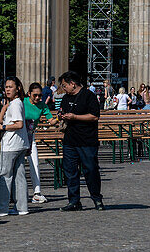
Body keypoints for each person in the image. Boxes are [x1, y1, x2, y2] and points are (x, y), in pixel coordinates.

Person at [57, 70, 104, 211]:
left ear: (73, 83)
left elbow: (94, 116)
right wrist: (61, 116)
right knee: (70, 172)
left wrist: (75, 117)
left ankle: (96, 198)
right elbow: (62, 111)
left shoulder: (89, 96)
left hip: (87, 141)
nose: (63, 88)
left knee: (91, 170)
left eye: (65, 85)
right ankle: (74, 201)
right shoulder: (66, 98)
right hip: (70, 141)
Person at [0, 76, 29, 216]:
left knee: (4, 176)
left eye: (10, 87)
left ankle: (1, 208)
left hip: (11, 145)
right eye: (6, 87)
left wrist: (3, 126)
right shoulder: (16, 103)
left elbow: (19, 124)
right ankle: (22, 207)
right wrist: (4, 109)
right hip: (20, 144)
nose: (7, 89)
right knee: (19, 176)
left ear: (18, 88)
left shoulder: (16, 104)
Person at [24, 82, 52, 205]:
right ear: (29, 94)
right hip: (17, 136)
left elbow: (51, 120)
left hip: (30, 136)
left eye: (39, 95)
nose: (37, 98)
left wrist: (59, 119)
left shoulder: (42, 105)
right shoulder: (22, 102)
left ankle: (37, 193)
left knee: (35, 163)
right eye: (35, 95)